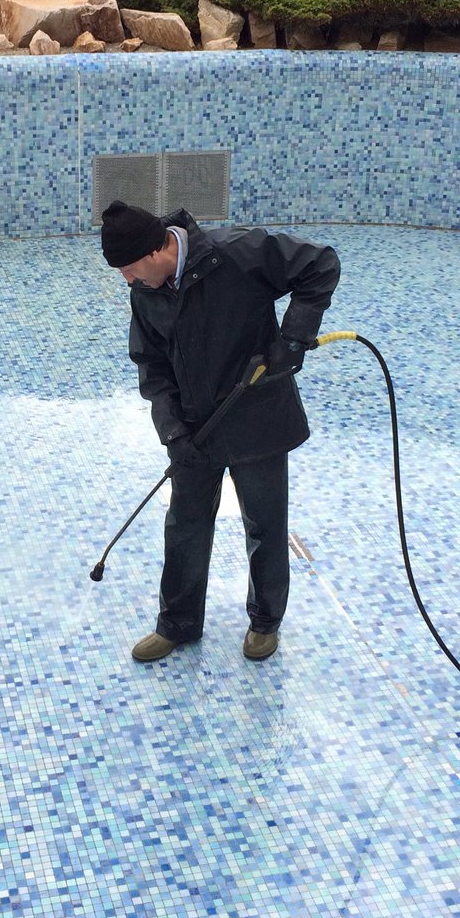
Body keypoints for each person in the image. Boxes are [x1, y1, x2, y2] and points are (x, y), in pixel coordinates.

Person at [100, 199, 341, 663]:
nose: (127, 281)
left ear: (155, 252)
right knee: (185, 525)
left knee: (265, 525)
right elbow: (151, 367)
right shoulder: (146, 293)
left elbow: (321, 264)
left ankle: (265, 622)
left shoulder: (238, 253)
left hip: (258, 418)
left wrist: (293, 339)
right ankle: (178, 623)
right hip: (196, 430)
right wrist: (173, 433)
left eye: (129, 269)